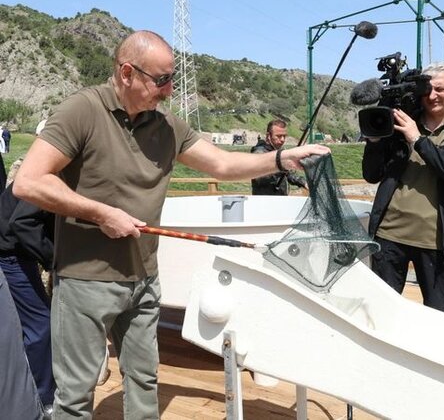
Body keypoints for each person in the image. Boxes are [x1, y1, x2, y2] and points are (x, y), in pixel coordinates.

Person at [12, 30, 329, 419]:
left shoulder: (167, 125)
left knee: (144, 382)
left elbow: (223, 165)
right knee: (75, 396)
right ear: (127, 73)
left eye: (172, 78)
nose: (169, 90)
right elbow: (29, 181)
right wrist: (101, 213)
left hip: (144, 277)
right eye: (161, 80)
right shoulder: (81, 111)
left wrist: (282, 160)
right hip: (84, 281)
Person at [362, 62, 444, 314]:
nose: (432, 96)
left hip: (438, 243)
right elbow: (371, 175)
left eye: (440, 89)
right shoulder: (399, 123)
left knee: (440, 315)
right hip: (390, 235)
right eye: (427, 89)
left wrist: (417, 139)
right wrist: (375, 141)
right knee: (380, 311)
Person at [0, 183, 56, 412]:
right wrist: (53, 259)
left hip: (16, 254)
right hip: (10, 256)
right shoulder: (49, 176)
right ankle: (43, 400)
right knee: (40, 326)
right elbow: (22, 223)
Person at [251, 119, 308, 195]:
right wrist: (280, 166)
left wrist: (303, 183)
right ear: (268, 136)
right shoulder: (259, 153)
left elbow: (289, 175)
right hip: (265, 202)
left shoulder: (279, 152)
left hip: (281, 200)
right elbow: (260, 177)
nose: (282, 140)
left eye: (284, 136)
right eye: (278, 136)